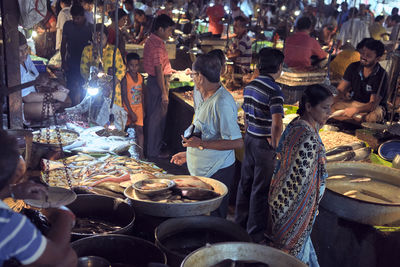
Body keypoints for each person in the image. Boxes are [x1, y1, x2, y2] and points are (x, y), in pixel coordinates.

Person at [170, 54, 243, 218]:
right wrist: (190, 153)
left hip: (217, 171)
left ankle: (214, 244)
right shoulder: (202, 94)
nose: (192, 78)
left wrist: (200, 144)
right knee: (198, 216)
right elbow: (206, 132)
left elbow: (237, 142)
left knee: (213, 219)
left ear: (201, 77)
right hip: (202, 170)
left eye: (193, 75)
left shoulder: (222, 102)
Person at [268, 84, 333, 267]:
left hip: (281, 200)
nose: (329, 113)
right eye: (325, 108)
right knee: (291, 257)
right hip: (294, 208)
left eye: (330, 107)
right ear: (309, 106)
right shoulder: (308, 138)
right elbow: (301, 182)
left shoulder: (296, 124)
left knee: (299, 252)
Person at [0, 130, 77, 266]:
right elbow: (57, 258)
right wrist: (64, 215)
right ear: (14, 175)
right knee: (69, 258)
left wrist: (11, 191)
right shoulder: (8, 223)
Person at [235, 48, 284, 243]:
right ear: (279, 67)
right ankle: (254, 234)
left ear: (259, 66)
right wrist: (276, 145)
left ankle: (239, 225)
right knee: (260, 189)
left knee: (245, 182)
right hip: (264, 145)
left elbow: (246, 115)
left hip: (250, 139)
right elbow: (277, 122)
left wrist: (249, 132)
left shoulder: (251, 85)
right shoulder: (275, 90)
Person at [332, 39, 388, 123]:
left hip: (371, 107)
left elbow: (372, 104)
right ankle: (356, 120)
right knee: (332, 107)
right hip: (354, 103)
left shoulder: (381, 75)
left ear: (377, 59)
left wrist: (355, 110)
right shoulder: (353, 67)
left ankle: (350, 120)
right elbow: (340, 90)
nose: (363, 57)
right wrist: (329, 101)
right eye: (362, 53)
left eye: (368, 56)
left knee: (373, 116)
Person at [143, 14, 175, 158]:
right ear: (160, 29)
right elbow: (158, 69)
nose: (170, 33)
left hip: (157, 81)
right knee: (156, 119)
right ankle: (153, 152)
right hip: (158, 84)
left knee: (155, 118)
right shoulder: (156, 45)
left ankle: (153, 148)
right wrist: (163, 92)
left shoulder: (155, 40)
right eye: (169, 30)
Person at [19, 32, 69, 122]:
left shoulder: (27, 59)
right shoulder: (13, 67)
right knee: (49, 109)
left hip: (32, 97)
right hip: (20, 105)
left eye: (26, 49)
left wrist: (55, 85)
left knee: (65, 100)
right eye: (19, 51)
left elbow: (38, 78)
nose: (24, 53)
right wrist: (54, 95)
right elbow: (26, 98)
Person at [80, 23, 126, 107]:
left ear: (107, 36)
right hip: (94, 90)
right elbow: (83, 70)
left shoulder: (114, 50)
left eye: (101, 36)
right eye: (95, 36)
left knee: (112, 116)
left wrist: (110, 85)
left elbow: (121, 70)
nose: (98, 39)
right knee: (94, 116)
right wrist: (94, 81)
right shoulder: (87, 50)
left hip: (112, 91)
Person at [61, 4, 93, 105]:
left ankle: (84, 108)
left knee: (84, 87)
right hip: (71, 61)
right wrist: (63, 61)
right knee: (71, 87)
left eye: (78, 18)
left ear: (83, 16)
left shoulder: (90, 28)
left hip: (85, 63)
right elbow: (63, 44)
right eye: (73, 18)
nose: (75, 20)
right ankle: (72, 108)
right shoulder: (68, 25)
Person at [121, 53, 145, 159]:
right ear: (127, 65)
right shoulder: (125, 78)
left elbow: (142, 94)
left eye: (136, 65)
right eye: (131, 65)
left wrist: (143, 109)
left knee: (140, 130)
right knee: (123, 131)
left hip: (138, 107)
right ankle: (123, 152)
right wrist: (130, 112)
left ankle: (141, 153)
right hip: (127, 108)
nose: (134, 68)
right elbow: (124, 96)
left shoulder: (141, 77)